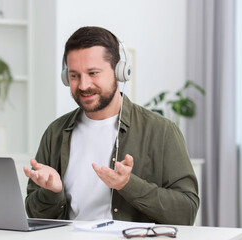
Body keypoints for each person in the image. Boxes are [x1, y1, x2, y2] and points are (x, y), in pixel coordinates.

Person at [23, 26, 199, 225]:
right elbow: (33, 214)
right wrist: (52, 193)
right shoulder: (55, 133)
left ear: (119, 72)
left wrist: (128, 184)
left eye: (93, 73)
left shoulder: (162, 131)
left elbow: (187, 212)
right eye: (74, 75)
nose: (83, 85)